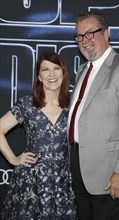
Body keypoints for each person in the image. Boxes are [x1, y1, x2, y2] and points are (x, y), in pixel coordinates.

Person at [68, 11, 119, 220]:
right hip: (79, 167)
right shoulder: (83, 70)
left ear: (107, 33)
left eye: (90, 33)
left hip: (109, 173)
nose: (84, 41)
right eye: (79, 36)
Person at [0, 52, 77, 219]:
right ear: (39, 77)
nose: (51, 74)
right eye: (45, 69)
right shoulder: (27, 104)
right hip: (30, 183)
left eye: (56, 68)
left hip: (61, 182)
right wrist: (13, 159)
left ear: (63, 74)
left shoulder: (73, 106)